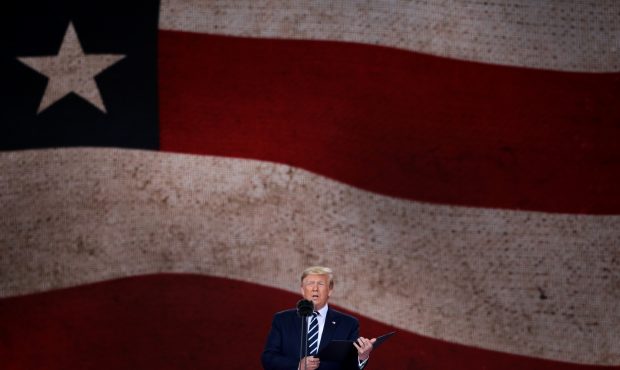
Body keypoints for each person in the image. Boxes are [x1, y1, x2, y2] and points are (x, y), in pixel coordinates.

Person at [261, 266, 376, 370]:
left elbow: (349, 367)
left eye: (320, 284)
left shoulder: (348, 324)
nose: (315, 288)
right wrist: (297, 365)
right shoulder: (283, 320)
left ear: (330, 290)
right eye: (310, 283)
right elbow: (268, 358)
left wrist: (362, 356)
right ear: (302, 290)